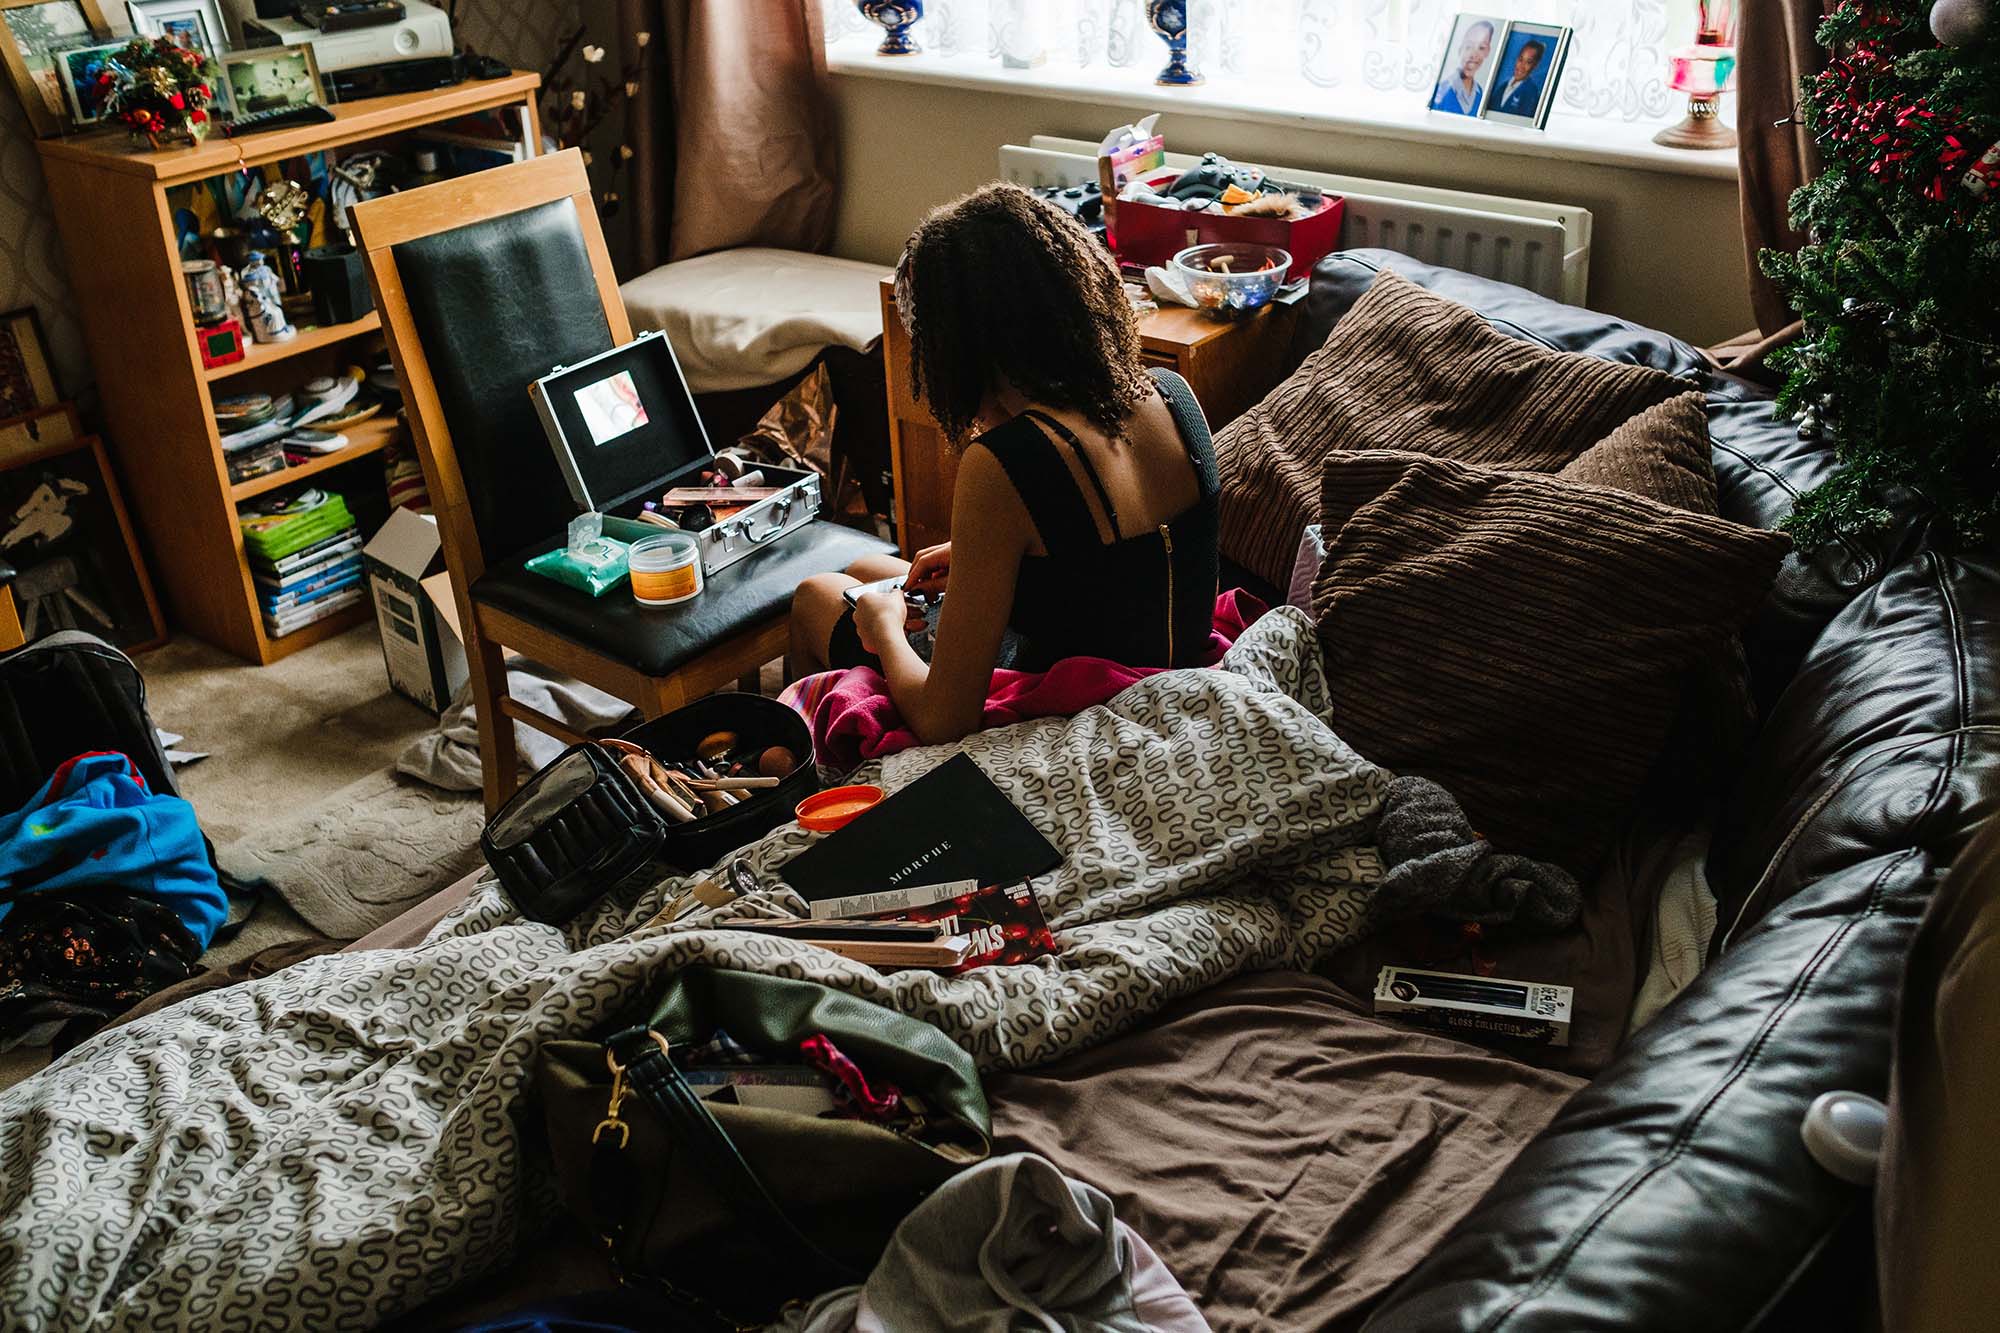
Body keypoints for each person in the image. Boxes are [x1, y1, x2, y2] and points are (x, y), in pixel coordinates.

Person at [789, 183, 1221, 746]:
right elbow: (1120, 561)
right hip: (1163, 659)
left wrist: (883, 630)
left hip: (1071, 705)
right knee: (872, 571)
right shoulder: (1173, 395)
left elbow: (947, 719)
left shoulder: (1004, 463)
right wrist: (984, 553)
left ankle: (815, 785)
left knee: (818, 595)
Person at [1430, 19, 1494, 116]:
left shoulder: (1480, 94)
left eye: (1481, 48)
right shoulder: (1442, 90)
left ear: (1487, 51)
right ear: (1460, 49)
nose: (1473, 55)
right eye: (1468, 46)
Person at [1494, 38, 1548, 118]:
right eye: (1520, 59)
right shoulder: (1502, 87)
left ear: (1535, 65)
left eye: (1528, 62)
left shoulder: (1531, 93)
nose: (1521, 66)